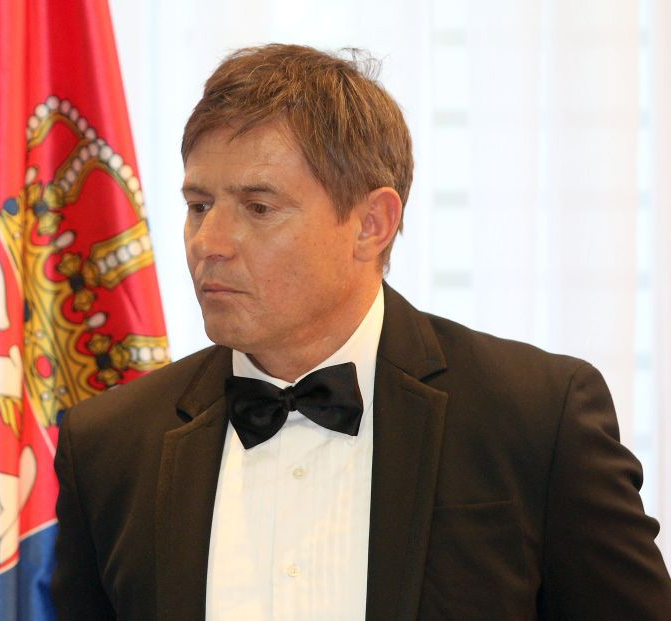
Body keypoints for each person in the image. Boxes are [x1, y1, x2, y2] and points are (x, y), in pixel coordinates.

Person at [50, 44, 671, 620]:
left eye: (259, 207)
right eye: (199, 205)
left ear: (372, 224)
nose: (208, 243)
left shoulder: (535, 416)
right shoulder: (108, 445)